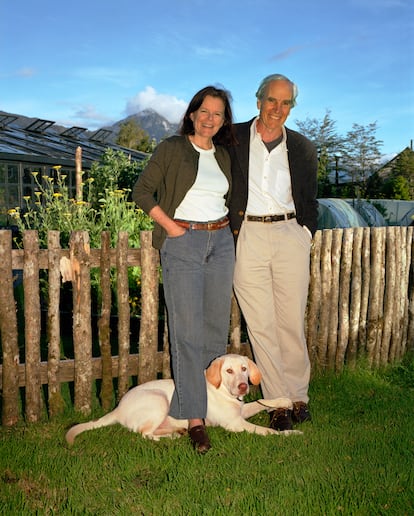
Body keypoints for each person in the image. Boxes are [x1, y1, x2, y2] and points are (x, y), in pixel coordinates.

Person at [132, 85, 236, 453]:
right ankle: (194, 419)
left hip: (221, 242)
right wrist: (172, 226)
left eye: (218, 114)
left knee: (213, 330)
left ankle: (209, 407)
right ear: (191, 114)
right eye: (204, 111)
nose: (210, 118)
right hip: (185, 242)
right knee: (187, 332)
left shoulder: (223, 155)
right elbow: (142, 192)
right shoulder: (172, 148)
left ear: (224, 121)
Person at [227, 73, 318, 431]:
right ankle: (278, 402)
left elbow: (310, 195)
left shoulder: (303, 147)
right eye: (271, 100)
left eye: (286, 103)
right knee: (261, 324)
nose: (277, 109)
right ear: (258, 100)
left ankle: (299, 396)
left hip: (289, 232)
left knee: (290, 322)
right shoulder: (232, 138)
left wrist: (305, 233)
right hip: (248, 232)